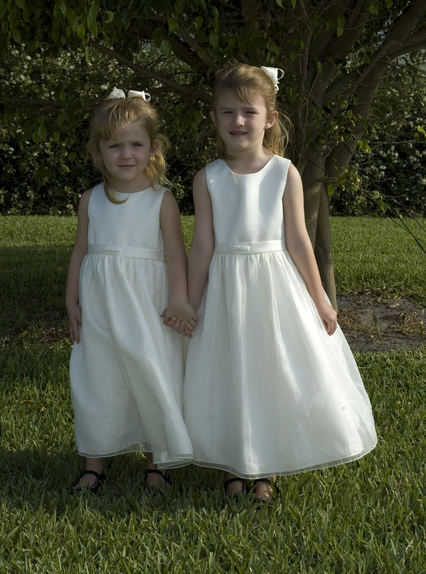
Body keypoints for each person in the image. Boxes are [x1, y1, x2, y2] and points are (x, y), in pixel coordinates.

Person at [183, 64, 377, 501]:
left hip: (274, 289)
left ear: (269, 118)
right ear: (215, 118)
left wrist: (321, 300)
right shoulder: (208, 178)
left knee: (270, 372)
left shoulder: (284, 171)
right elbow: (201, 247)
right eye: (227, 112)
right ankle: (233, 464)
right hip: (226, 291)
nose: (238, 121)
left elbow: (299, 242)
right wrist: (191, 303)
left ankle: (264, 467)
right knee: (230, 373)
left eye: (248, 112)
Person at [66, 87, 197, 493]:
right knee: (98, 376)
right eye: (115, 146)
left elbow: (176, 255)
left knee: (152, 373)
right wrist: (71, 298)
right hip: (100, 304)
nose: (126, 154)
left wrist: (179, 299)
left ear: (152, 148)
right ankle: (94, 464)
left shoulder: (162, 200)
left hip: (147, 304)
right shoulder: (91, 199)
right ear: (98, 151)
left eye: (136, 145)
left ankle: (157, 463)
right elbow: (81, 250)